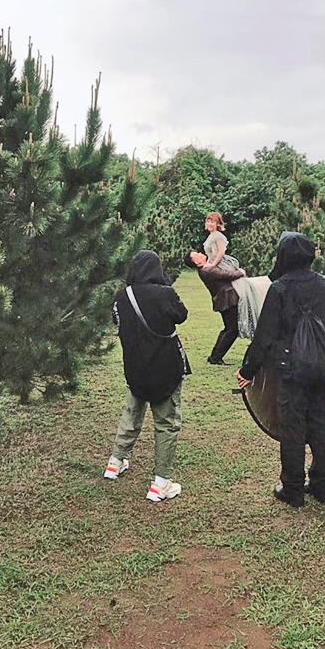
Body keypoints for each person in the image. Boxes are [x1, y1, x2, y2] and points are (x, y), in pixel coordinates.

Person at [235, 232, 325, 508]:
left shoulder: (280, 289)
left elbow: (265, 337)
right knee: (322, 426)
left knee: (292, 429)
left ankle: (293, 489)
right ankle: (321, 486)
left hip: (291, 371)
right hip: (322, 369)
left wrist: (248, 370)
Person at [104, 250, 190, 503]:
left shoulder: (122, 296)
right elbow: (181, 315)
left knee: (131, 413)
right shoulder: (164, 293)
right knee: (166, 422)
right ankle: (160, 483)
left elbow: (116, 322)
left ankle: (115, 462)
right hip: (164, 369)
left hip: (135, 368)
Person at [201, 212, 267, 338]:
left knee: (237, 283)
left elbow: (221, 253)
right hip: (214, 264)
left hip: (221, 264)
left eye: (213, 221)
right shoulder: (210, 236)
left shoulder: (218, 236)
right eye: (208, 221)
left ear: (218, 224)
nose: (210, 224)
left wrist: (212, 265)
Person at [183, 250, 244, 365]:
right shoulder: (207, 270)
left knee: (228, 328)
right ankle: (216, 357)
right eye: (197, 255)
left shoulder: (207, 268)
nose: (200, 253)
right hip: (227, 301)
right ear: (196, 262)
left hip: (225, 301)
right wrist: (240, 272)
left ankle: (215, 356)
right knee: (232, 329)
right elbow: (228, 275)